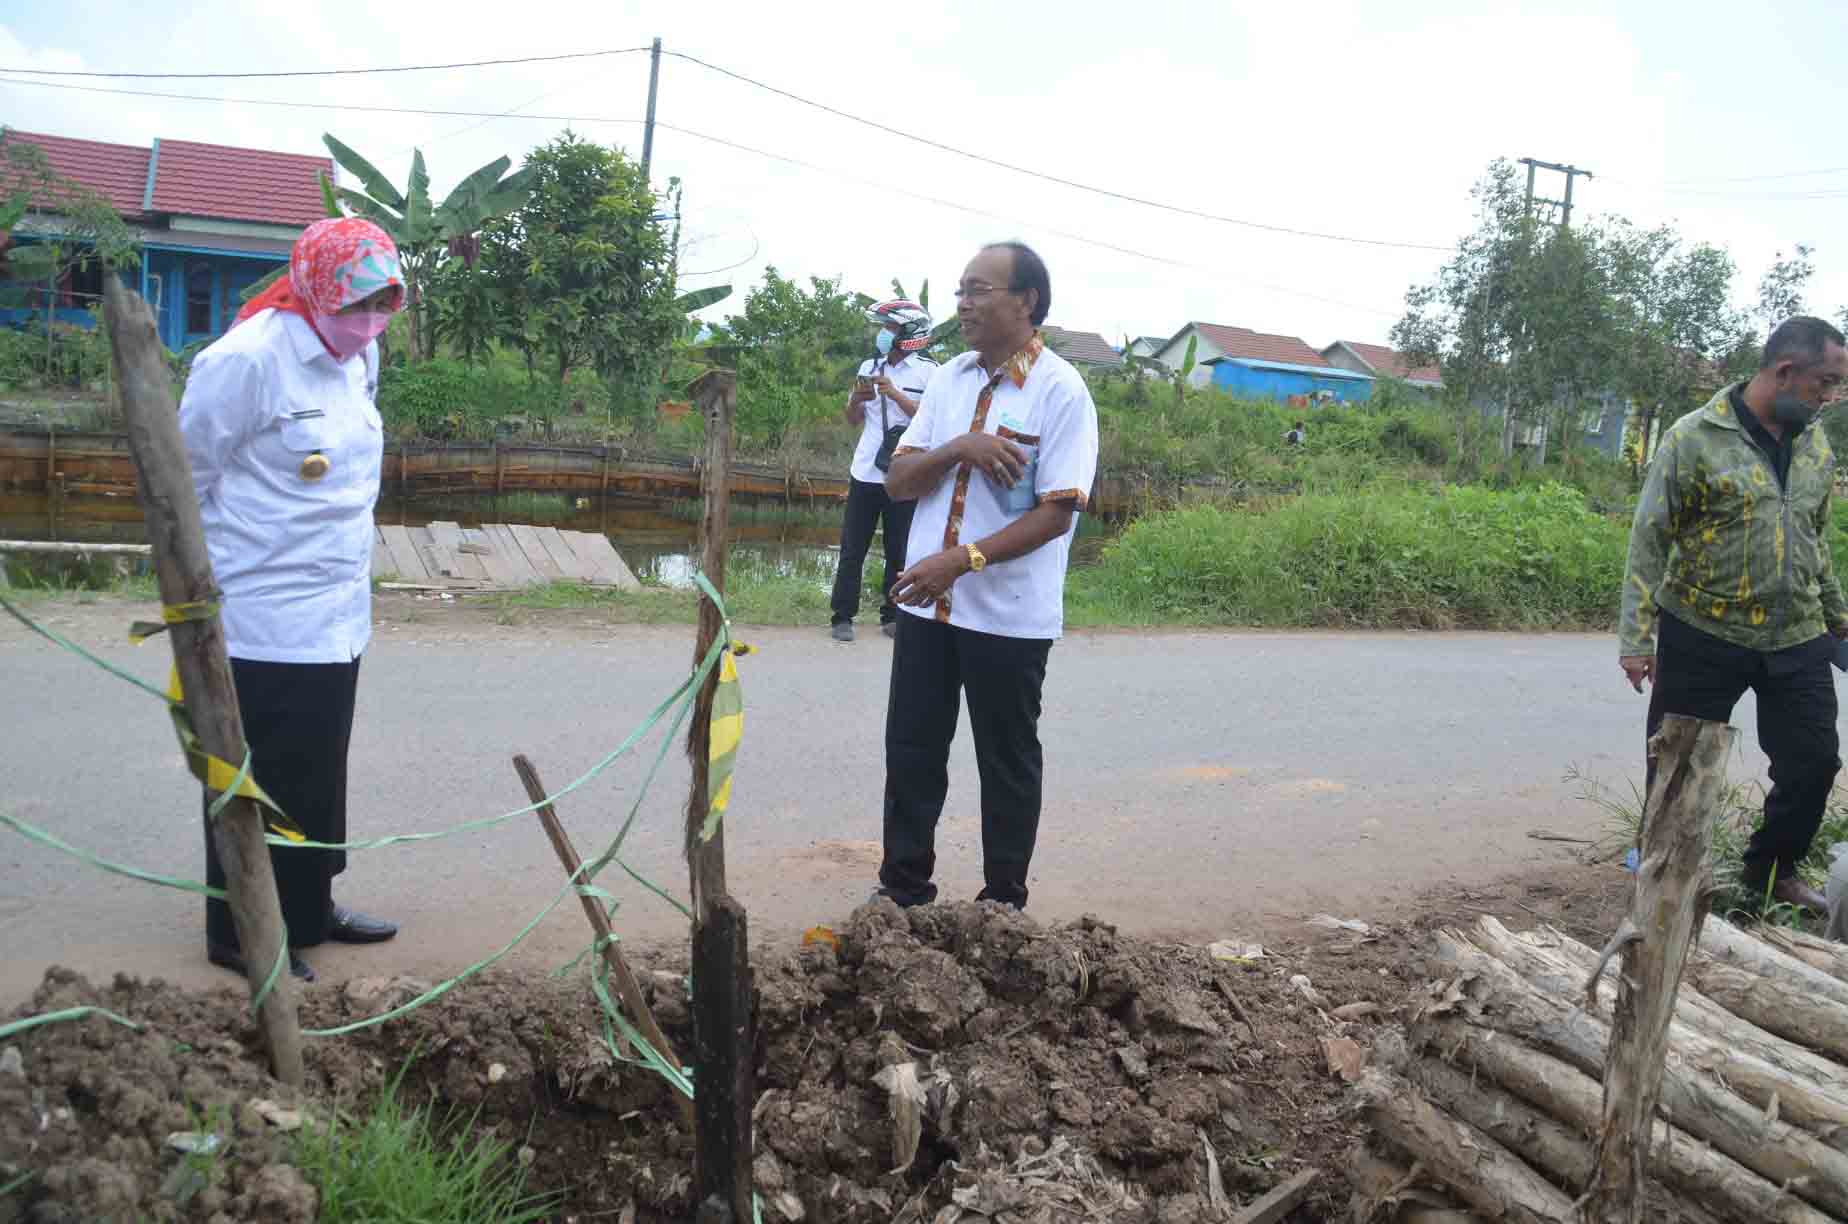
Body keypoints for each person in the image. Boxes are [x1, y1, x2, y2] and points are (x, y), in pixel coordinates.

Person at [180, 216, 407, 981]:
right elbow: (182, 477)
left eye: (383, 302)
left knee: (318, 770)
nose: (368, 319)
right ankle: (240, 931)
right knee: (258, 775)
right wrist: (196, 592)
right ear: (313, 289)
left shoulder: (360, 354)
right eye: (355, 302)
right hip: (259, 612)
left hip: (336, 609)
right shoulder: (245, 360)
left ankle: (309, 909)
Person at [875, 241, 1099, 909]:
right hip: (926, 606)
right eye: (961, 291)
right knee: (912, 750)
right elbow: (899, 481)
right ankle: (902, 891)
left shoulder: (1061, 390)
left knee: (1006, 760)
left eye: (978, 290)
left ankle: (1002, 904)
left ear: (1026, 300)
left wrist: (961, 561)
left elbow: (1056, 514)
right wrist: (959, 447)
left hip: (1008, 615)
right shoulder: (949, 380)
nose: (964, 305)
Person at [1619, 316, 1848, 913]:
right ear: (1785, 372)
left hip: (1797, 634)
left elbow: (1814, 537)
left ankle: (1771, 871)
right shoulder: (1694, 437)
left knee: (1814, 761)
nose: (1831, 396)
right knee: (1679, 766)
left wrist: (1838, 617)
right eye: (1826, 382)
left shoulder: (1814, 444)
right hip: (1703, 630)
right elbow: (1650, 538)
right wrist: (1636, 637)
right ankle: (1660, 880)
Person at [831, 300, 939, 642]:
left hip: (905, 474)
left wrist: (894, 394)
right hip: (865, 470)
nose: (882, 334)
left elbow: (932, 421)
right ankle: (842, 617)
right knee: (852, 549)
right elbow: (852, 420)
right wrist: (857, 400)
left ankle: (892, 615)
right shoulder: (869, 366)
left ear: (909, 333)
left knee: (899, 549)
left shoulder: (930, 372)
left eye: (890, 328)